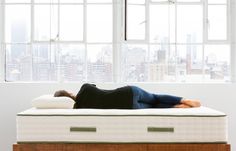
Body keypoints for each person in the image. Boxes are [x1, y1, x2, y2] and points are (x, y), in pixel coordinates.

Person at [54, 83, 201, 109]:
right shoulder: (84, 88)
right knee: (155, 97)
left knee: (153, 106)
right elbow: (94, 86)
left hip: (128, 106)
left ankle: (176, 106)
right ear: (69, 93)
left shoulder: (79, 108)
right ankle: (184, 100)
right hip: (128, 92)